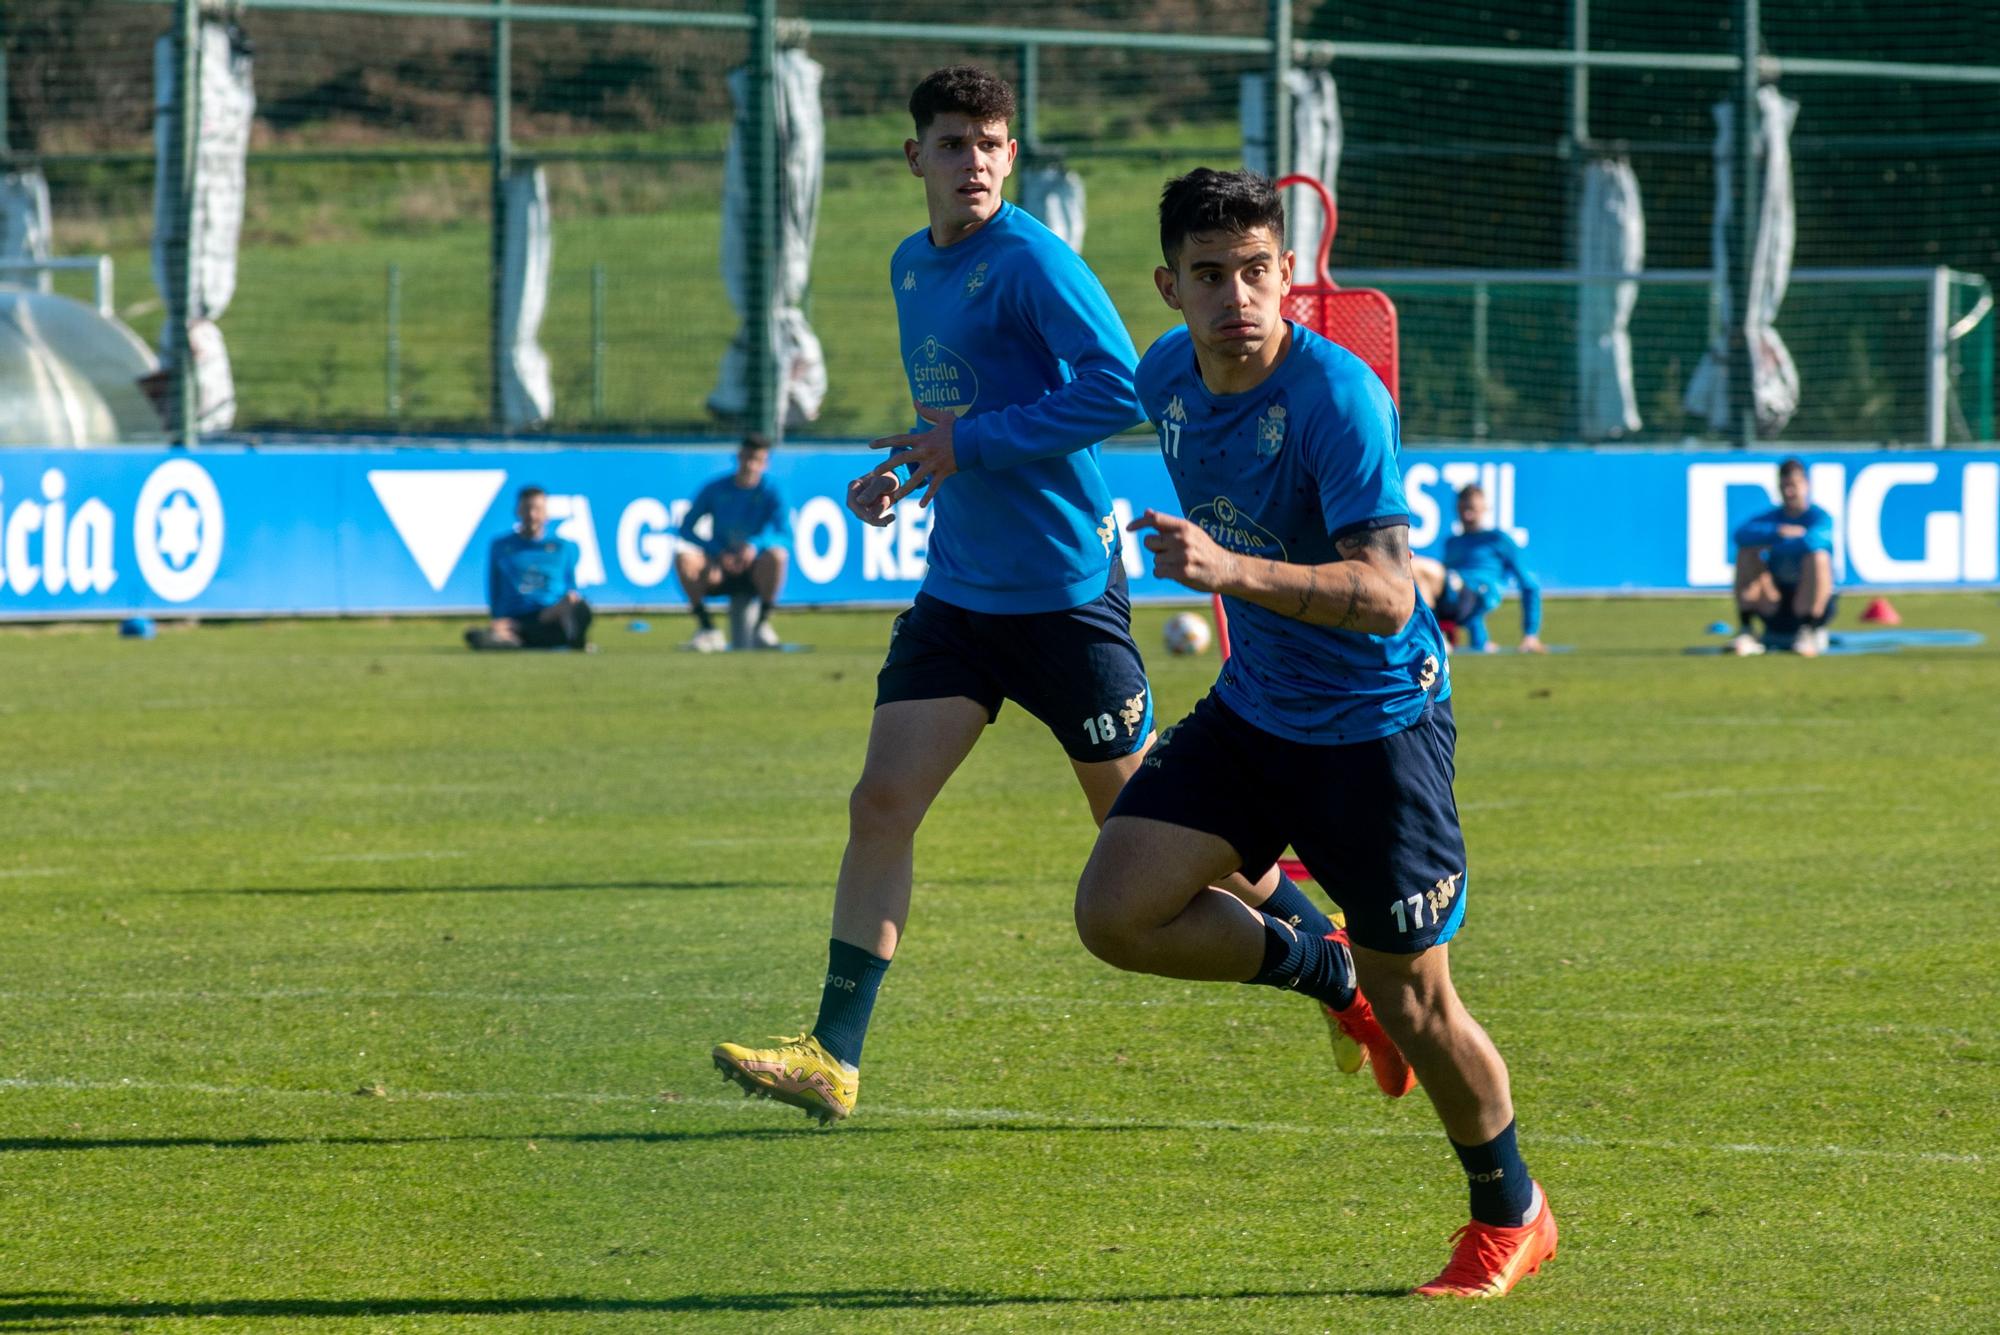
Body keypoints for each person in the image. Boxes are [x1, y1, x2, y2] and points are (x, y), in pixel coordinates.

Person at [710, 68, 1374, 1127]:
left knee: (1171, 845)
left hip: (1064, 598)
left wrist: (963, 443)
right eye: (950, 142)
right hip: (962, 595)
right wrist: (912, 467)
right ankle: (831, 1057)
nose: (970, 161)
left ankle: (1327, 965)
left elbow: (1112, 385)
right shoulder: (908, 266)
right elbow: (958, 409)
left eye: (987, 143)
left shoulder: (1030, 260)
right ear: (912, 157)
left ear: (1008, 157)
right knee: (879, 804)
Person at [1075, 168, 1556, 1299]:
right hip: (1254, 716)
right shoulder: (1163, 375)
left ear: (1286, 273)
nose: (1237, 295)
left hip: (1375, 731)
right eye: (1209, 275)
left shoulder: (1336, 399)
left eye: (1256, 271)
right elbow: (1070, 409)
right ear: (1169, 286)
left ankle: (1511, 1211)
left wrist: (1228, 567)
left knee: (1421, 1007)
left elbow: (1391, 594)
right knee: (1114, 912)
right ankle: (1316, 963)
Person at [676, 434, 789, 652]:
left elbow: (785, 533)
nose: (750, 465)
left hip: (755, 567)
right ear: (738, 457)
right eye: (746, 458)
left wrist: (754, 546)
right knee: (684, 559)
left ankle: (762, 626)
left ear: (765, 462)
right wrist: (717, 551)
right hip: (720, 566)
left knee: (778, 556)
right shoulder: (716, 488)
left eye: (756, 460)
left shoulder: (772, 490)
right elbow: (685, 528)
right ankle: (707, 629)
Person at [1412, 484, 1545, 654]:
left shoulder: (1497, 539)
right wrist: (1480, 641)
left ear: (1484, 508)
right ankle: (1434, 638)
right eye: (1463, 508)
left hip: (1479, 592)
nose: (1467, 513)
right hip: (1456, 596)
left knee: (1417, 567)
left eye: (1472, 508)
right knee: (1416, 580)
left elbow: (1529, 583)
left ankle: (1432, 636)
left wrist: (1530, 634)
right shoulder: (1452, 543)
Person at [464, 485, 592, 651]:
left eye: (537, 509)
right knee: (489, 632)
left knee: (576, 604)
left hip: (549, 614)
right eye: (526, 509)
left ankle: (573, 639)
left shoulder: (562, 547)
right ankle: (513, 638)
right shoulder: (501, 546)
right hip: (515, 618)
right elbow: (494, 588)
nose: (532, 515)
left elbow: (571, 587)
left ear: (547, 513)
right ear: (518, 511)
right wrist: (498, 618)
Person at [1731, 457, 1835, 657]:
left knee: (1818, 557)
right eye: (1784, 486)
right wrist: (1778, 533)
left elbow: (1815, 541)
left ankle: (1809, 631)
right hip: (1775, 602)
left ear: (1806, 485)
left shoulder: (1819, 517)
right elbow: (1740, 535)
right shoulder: (1774, 519)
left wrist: (1780, 541)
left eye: (1793, 486)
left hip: (1805, 602)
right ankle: (1747, 629)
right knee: (1746, 552)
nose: (1788, 492)